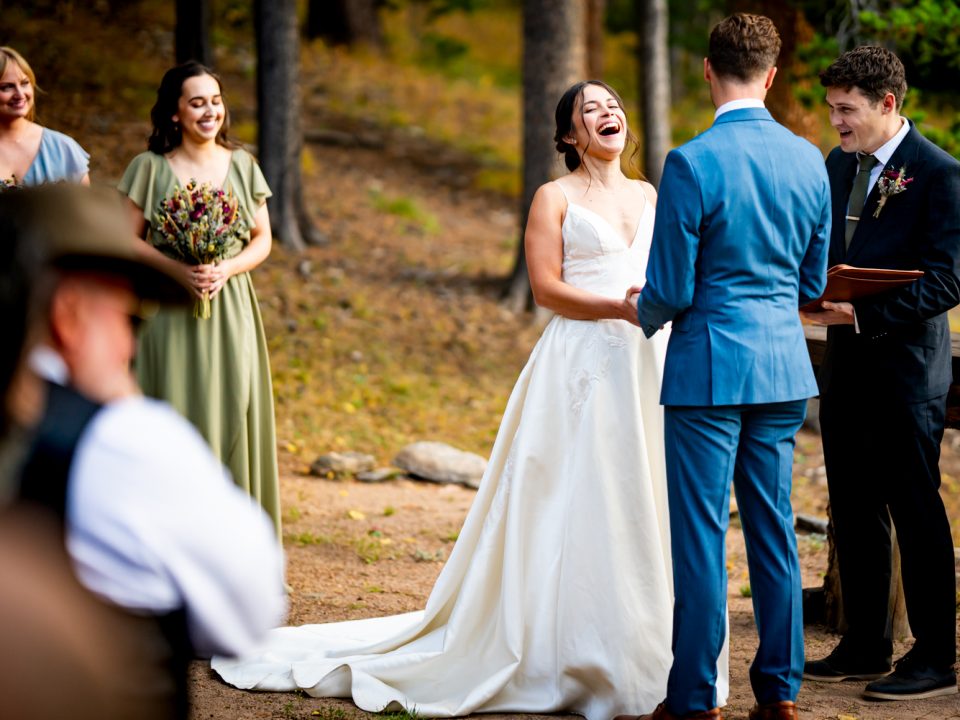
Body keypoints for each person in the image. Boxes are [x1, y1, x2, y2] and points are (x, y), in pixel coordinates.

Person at [213, 80, 728, 719]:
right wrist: (621, 310)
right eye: (588, 109)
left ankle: (653, 649)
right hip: (584, 363)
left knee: (646, 495)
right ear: (570, 135)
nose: (607, 114)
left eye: (612, 105)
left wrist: (656, 312)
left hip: (651, 362)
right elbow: (547, 289)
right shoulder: (554, 197)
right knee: (581, 497)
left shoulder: (653, 193)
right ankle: (566, 648)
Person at [0, 184, 287, 719]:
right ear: (69, 316)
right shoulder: (125, 443)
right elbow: (252, 609)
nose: (131, 346)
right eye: (127, 320)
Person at [621, 13, 831, 720]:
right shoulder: (810, 160)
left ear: (707, 70)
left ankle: (693, 700)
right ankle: (780, 694)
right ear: (771, 76)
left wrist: (640, 307)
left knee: (702, 535)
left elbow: (673, 289)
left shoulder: (690, 162)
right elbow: (811, 284)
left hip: (709, 368)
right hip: (781, 369)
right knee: (774, 532)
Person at [801, 47, 959, 700]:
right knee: (856, 508)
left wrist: (861, 315)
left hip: (905, 373)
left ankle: (935, 657)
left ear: (886, 104)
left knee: (915, 511)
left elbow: (950, 279)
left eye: (847, 110)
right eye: (832, 108)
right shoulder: (839, 166)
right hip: (845, 370)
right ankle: (865, 641)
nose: (835, 122)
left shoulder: (940, 174)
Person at [117, 61, 280, 533]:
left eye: (215, 100)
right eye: (196, 102)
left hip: (230, 308)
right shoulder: (148, 168)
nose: (210, 111)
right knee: (172, 407)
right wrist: (178, 270)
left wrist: (225, 268)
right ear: (174, 114)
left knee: (234, 400)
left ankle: (233, 536)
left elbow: (262, 239)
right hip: (168, 308)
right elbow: (127, 240)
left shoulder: (244, 165)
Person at [0, 46, 89, 186]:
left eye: (24, 83)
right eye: (6, 87)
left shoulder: (63, 149)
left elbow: (84, 207)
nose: (20, 95)